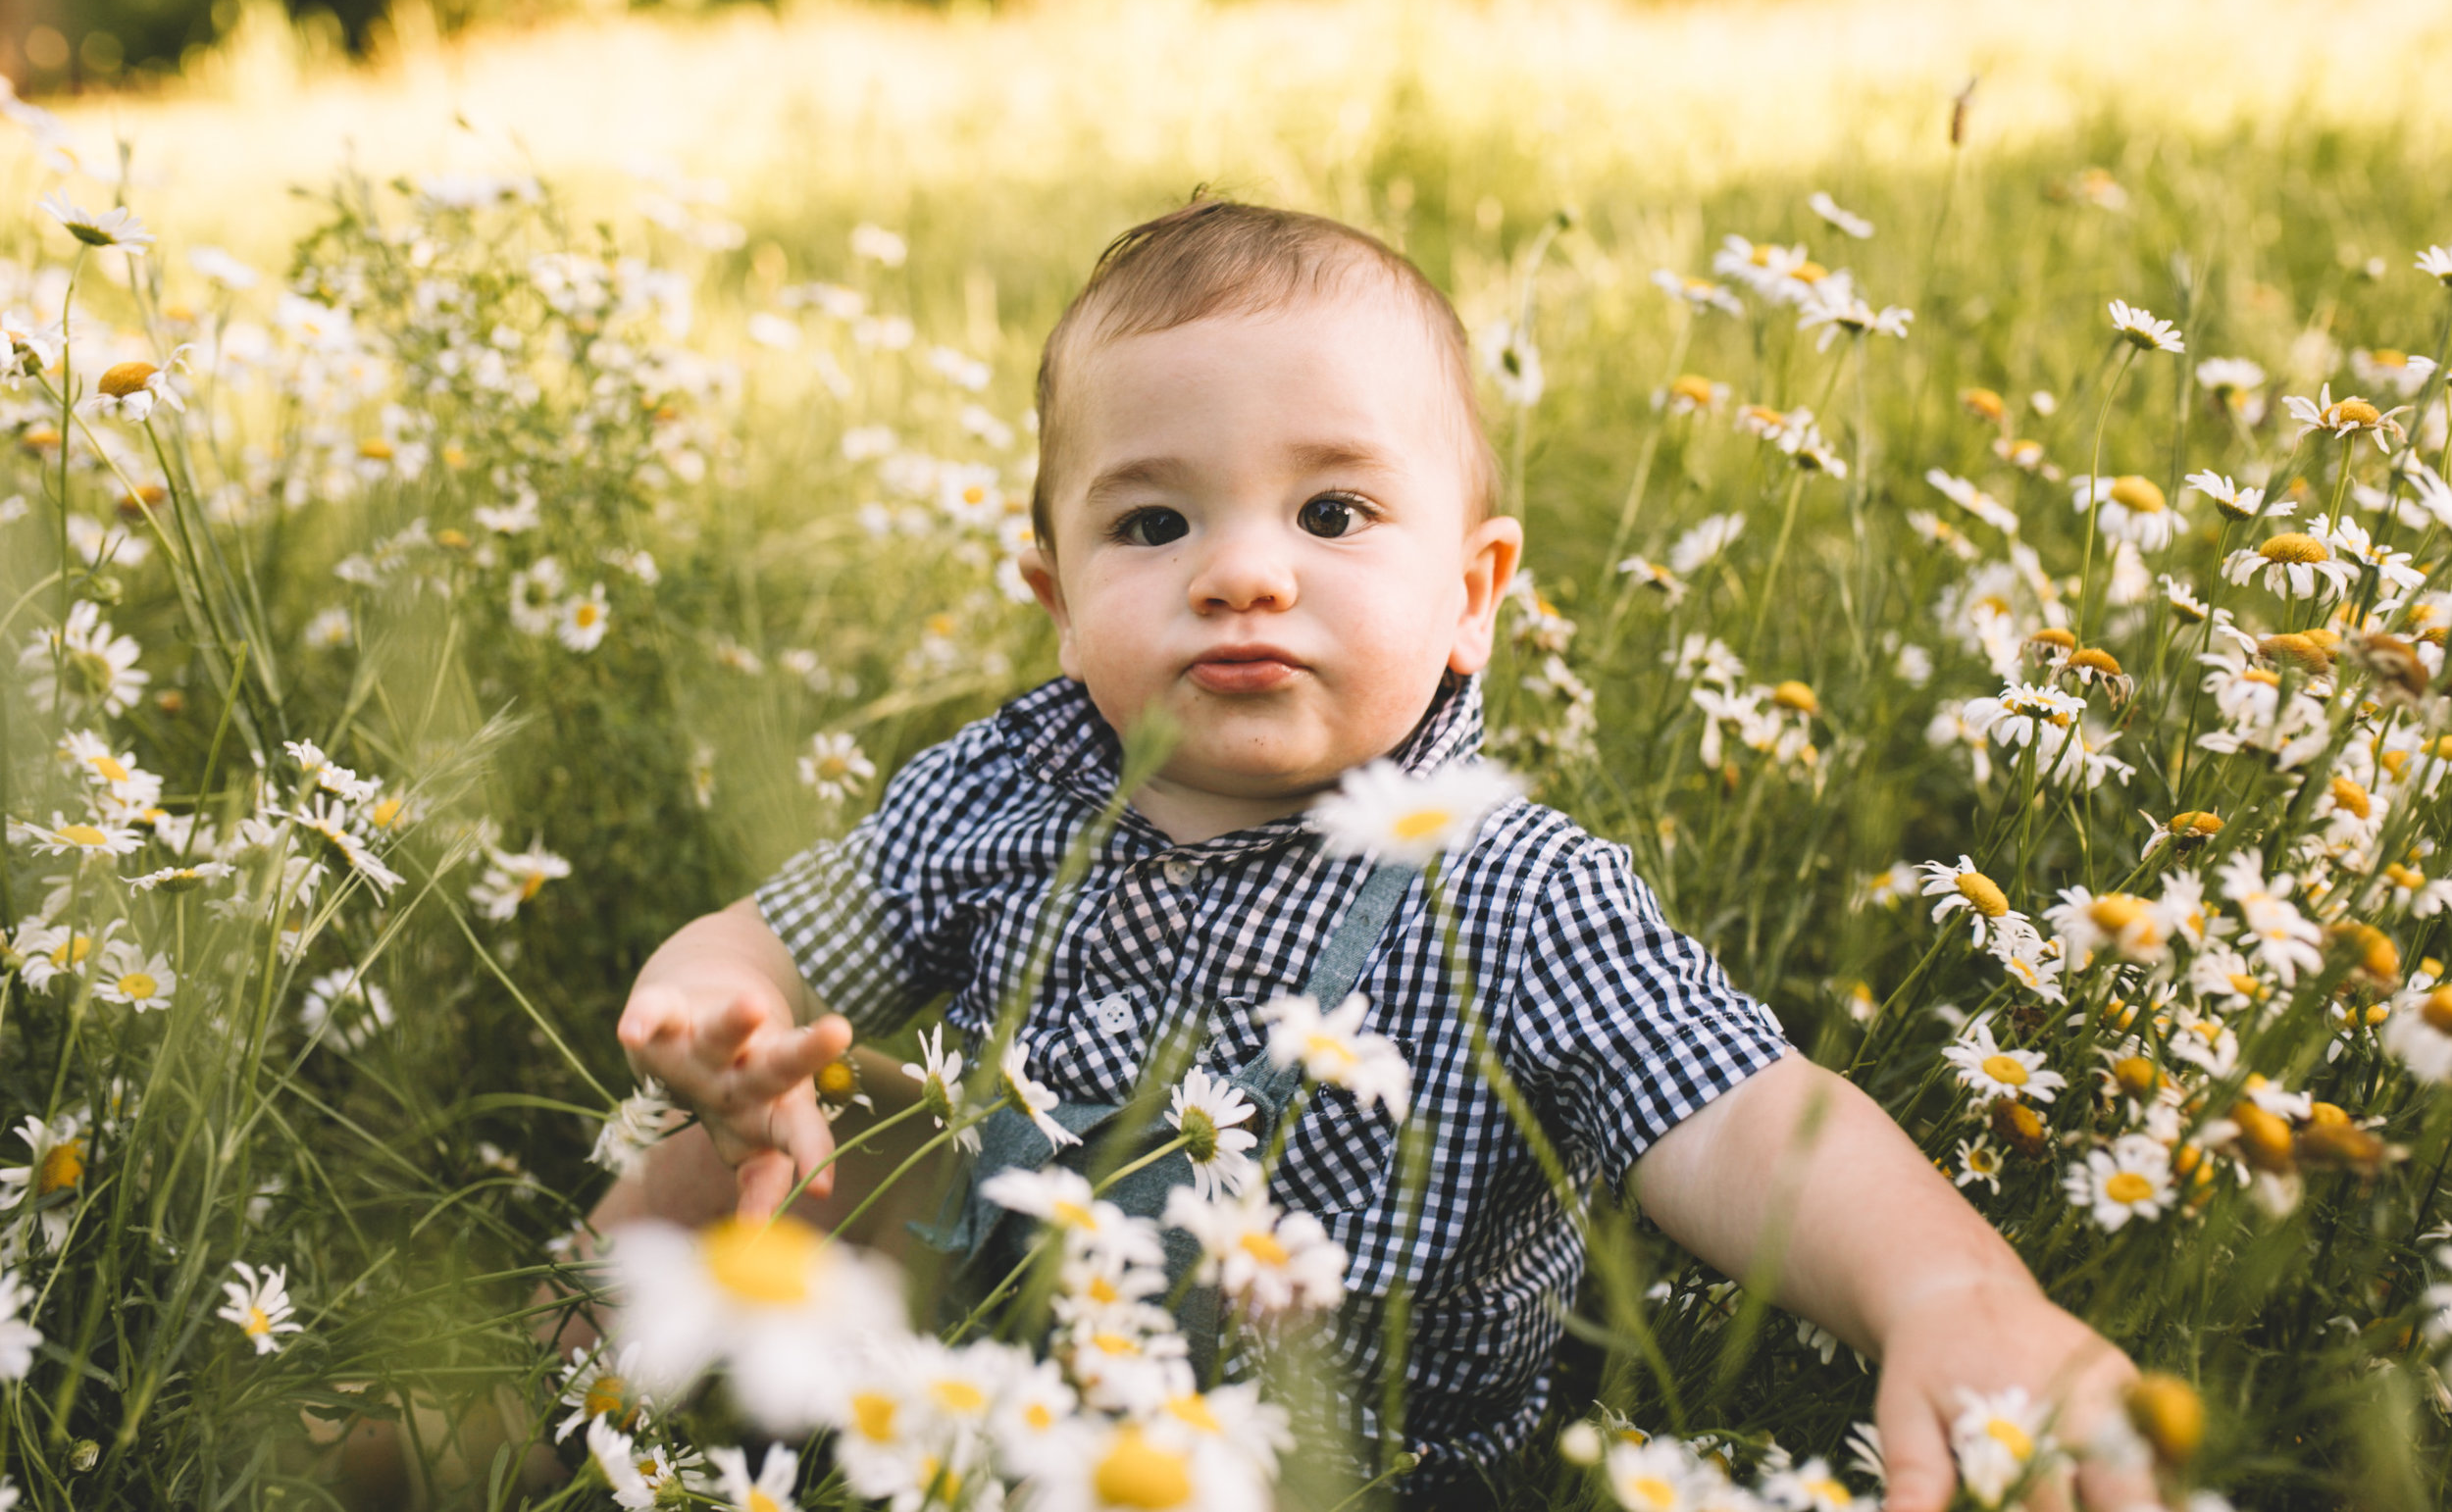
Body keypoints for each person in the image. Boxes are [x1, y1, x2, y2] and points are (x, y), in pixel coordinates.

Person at [607, 198, 2148, 1508]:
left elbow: (1741, 1115)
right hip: (986, 1394)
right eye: (1153, 526)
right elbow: (773, 938)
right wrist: (719, 1013)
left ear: (1474, 594)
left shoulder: (1512, 888)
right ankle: (544, 1409)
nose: (1246, 572)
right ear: (1058, 597)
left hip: (1343, 1463)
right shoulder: (1008, 792)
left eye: (1333, 512)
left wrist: (1946, 1287)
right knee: (742, 1141)